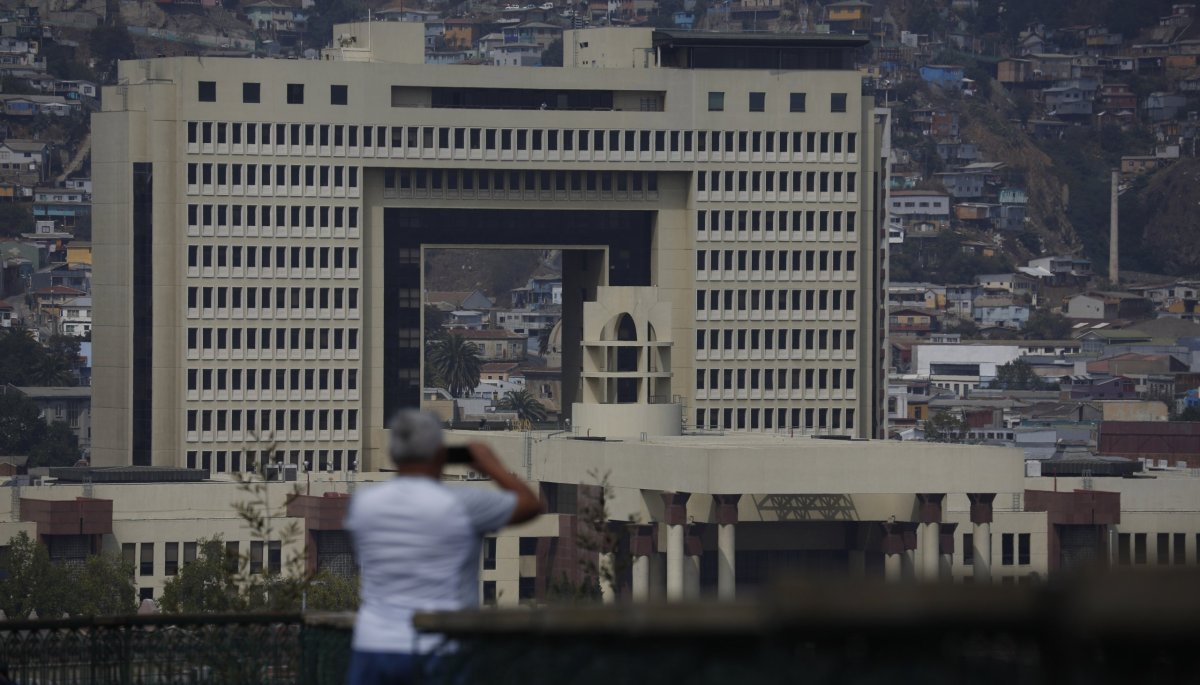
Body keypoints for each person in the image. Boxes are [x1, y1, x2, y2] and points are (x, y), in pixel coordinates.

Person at [344, 409, 542, 685]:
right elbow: (532, 505)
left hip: (373, 642)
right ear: (440, 453)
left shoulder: (363, 503)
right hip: (442, 646)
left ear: (394, 455)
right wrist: (489, 464)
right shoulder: (463, 504)